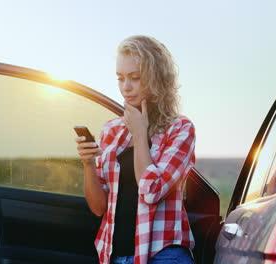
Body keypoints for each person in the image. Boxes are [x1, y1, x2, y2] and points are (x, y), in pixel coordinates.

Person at [75, 35, 196, 264]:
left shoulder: (180, 129)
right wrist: (88, 164)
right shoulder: (111, 130)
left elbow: (151, 190)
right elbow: (99, 207)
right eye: (120, 78)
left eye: (135, 78)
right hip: (114, 256)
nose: (126, 87)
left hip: (164, 254)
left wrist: (140, 134)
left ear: (156, 78)